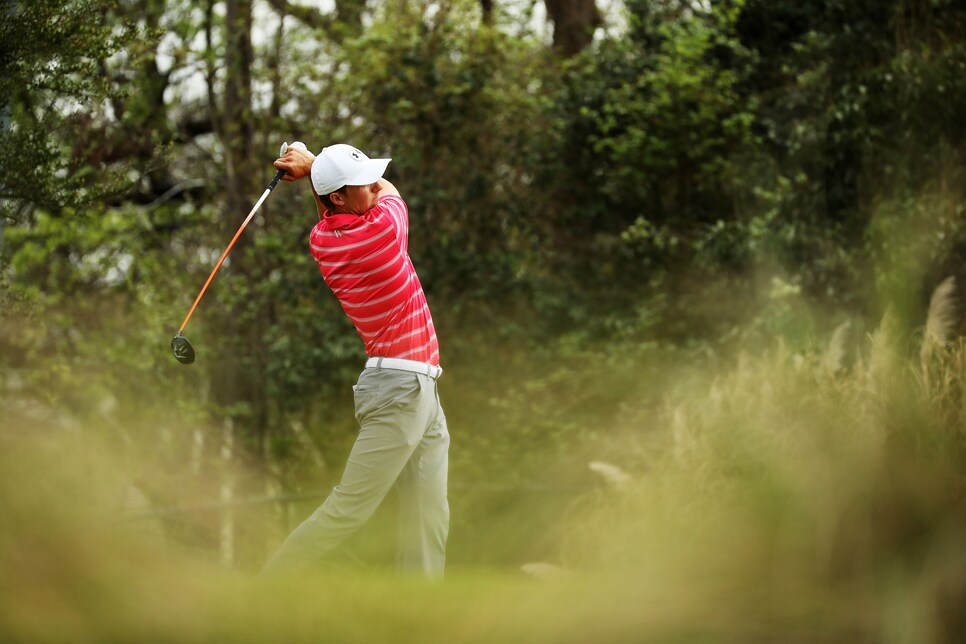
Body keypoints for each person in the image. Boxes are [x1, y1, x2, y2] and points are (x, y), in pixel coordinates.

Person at [261, 142, 449, 577]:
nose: (370, 184)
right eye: (356, 183)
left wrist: (318, 174)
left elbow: (335, 204)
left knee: (429, 514)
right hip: (399, 390)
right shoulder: (384, 228)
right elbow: (391, 190)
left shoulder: (321, 239)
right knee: (348, 508)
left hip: (419, 389)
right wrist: (312, 168)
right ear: (340, 197)